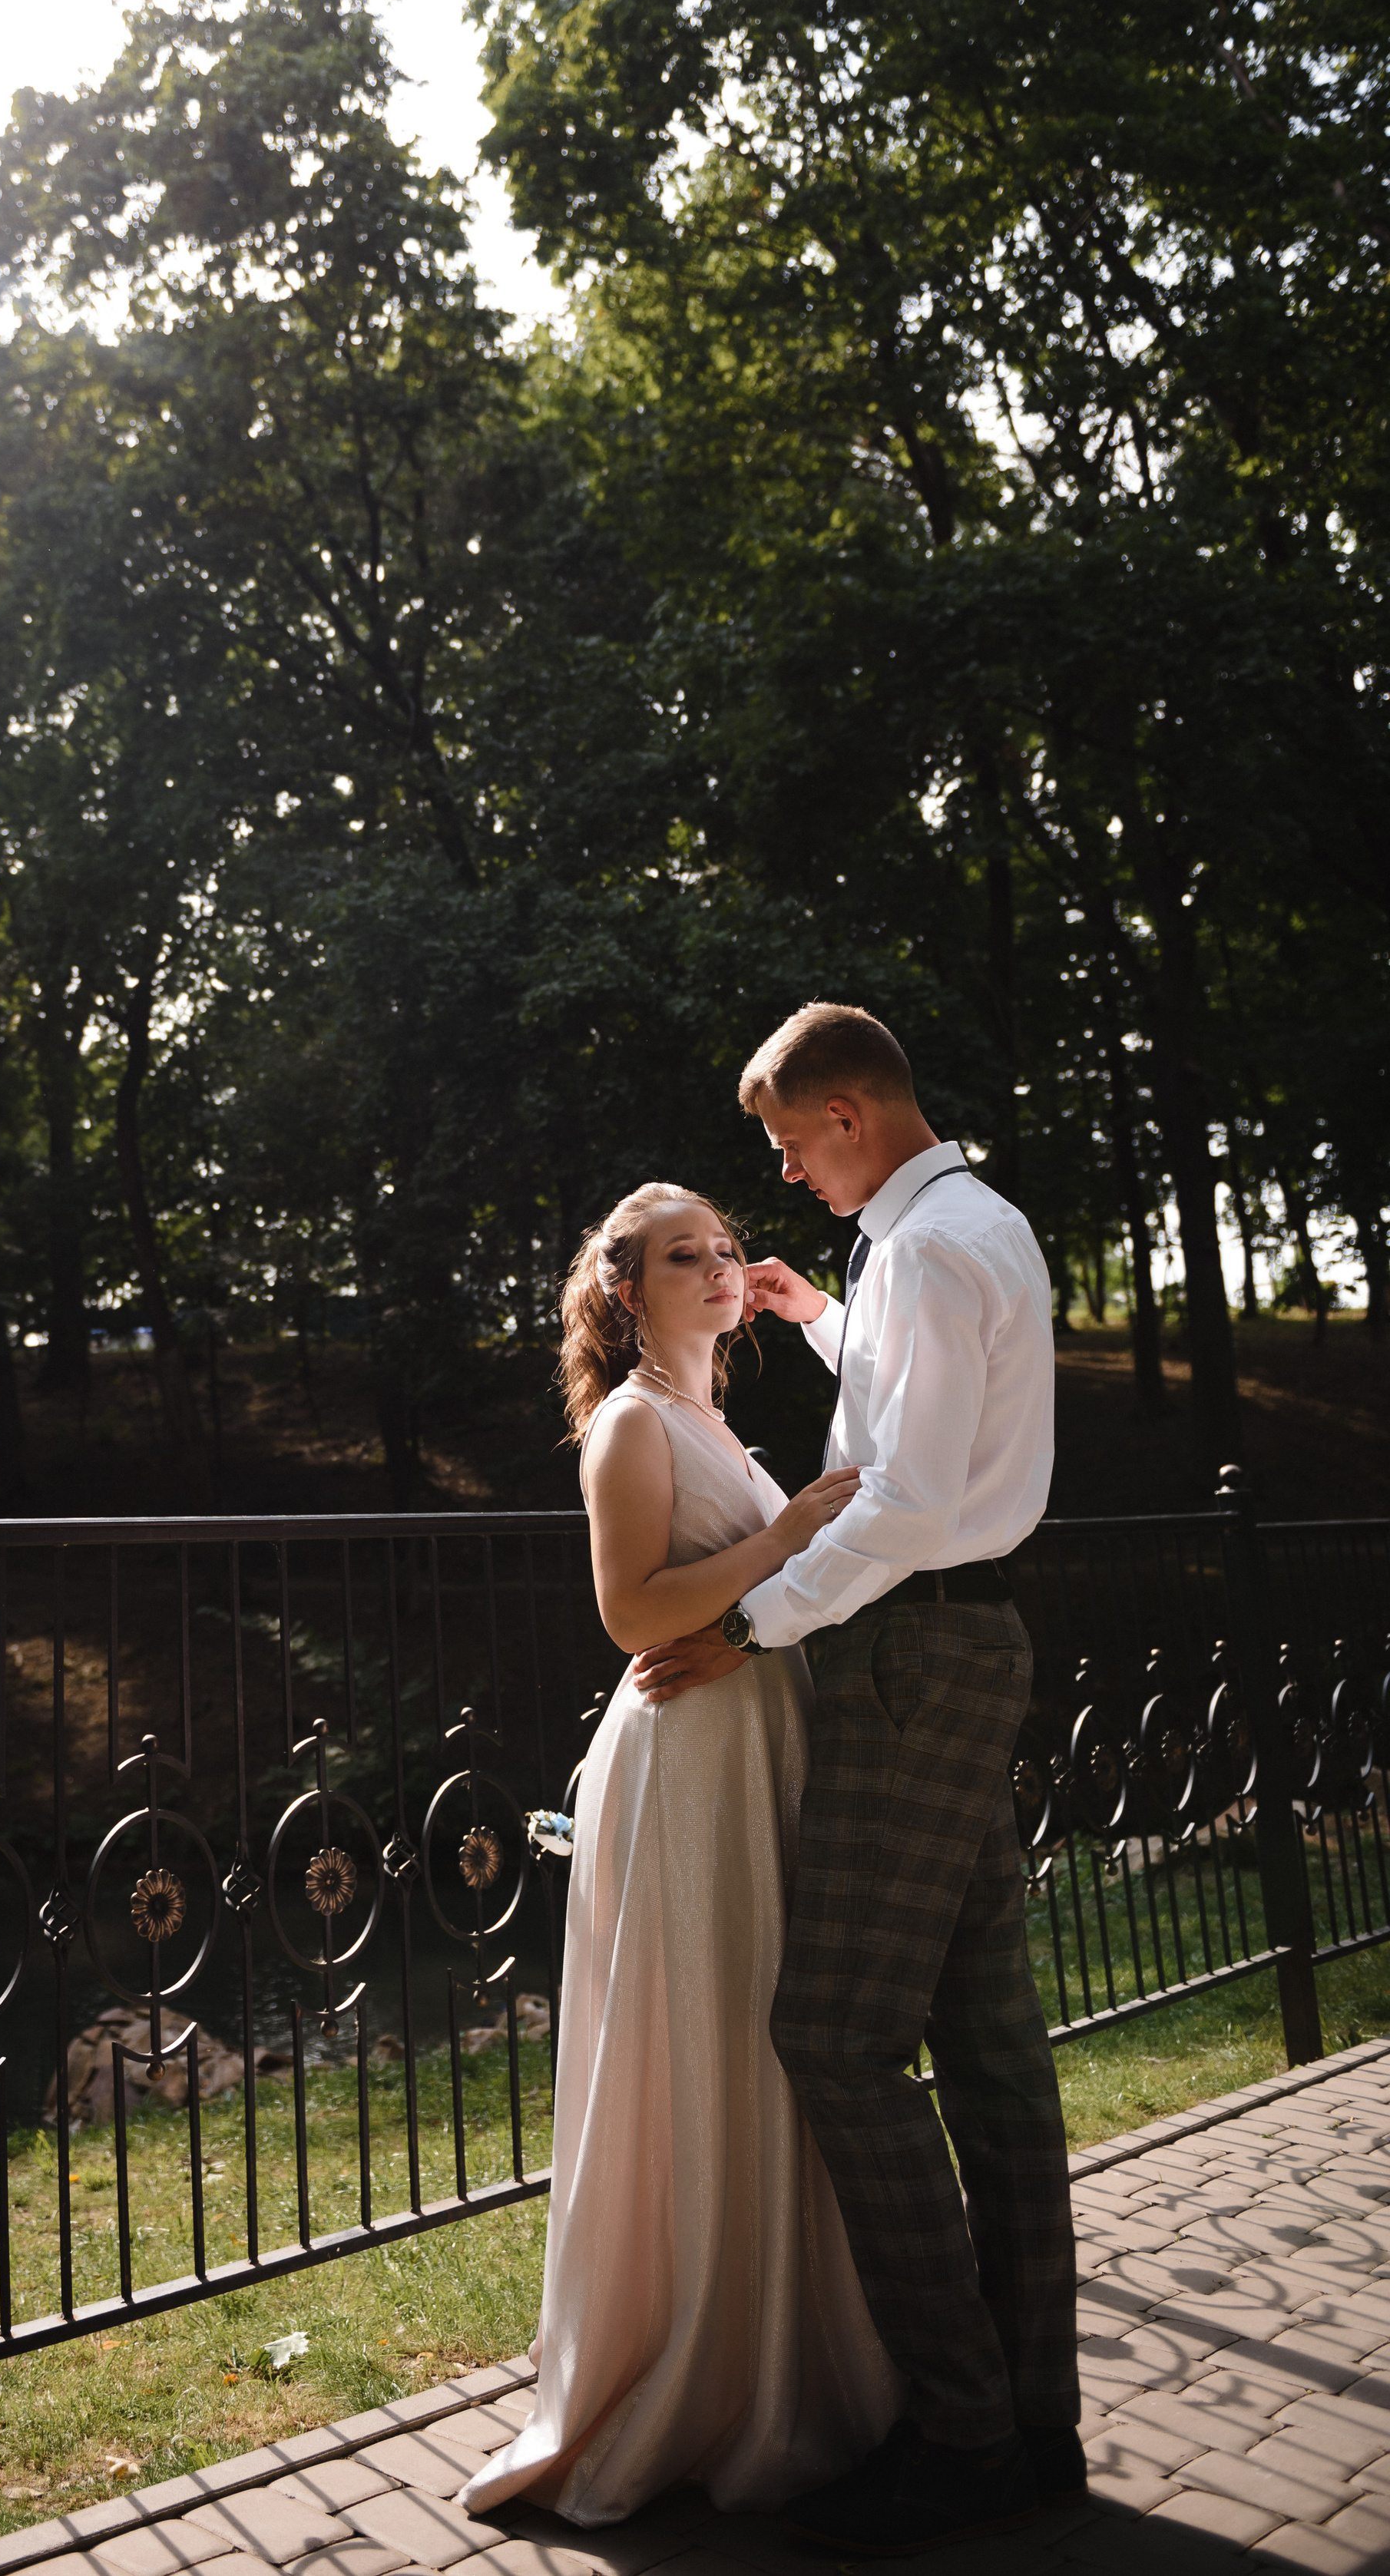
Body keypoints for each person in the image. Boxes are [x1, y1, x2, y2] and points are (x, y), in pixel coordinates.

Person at [636, 1002, 1080, 2555]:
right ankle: (1032, 2426)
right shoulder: (951, 1233)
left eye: (784, 1141)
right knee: (988, 2045)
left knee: (830, 2035)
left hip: (914, 1653)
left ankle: (966, 2428)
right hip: (960, 1642)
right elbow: (929, 1418)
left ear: (845, 1113)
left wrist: (752, 1626)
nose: (780, 1170)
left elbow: (901, 1498)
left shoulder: (933, 1249)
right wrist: (822, 1317)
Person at [462, 1180, 902, 2526]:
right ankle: (702, 2367)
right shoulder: (632, 1425)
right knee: (710, 2034)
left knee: (772, 2034)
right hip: (691, 1765)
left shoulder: (715, 1421)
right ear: (625, 1289)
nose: (717, 1269)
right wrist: (783, 1536)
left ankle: (792, 2348)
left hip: (759, 1746)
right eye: (682, 1257)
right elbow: (629, 1612)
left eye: (724, 1249)